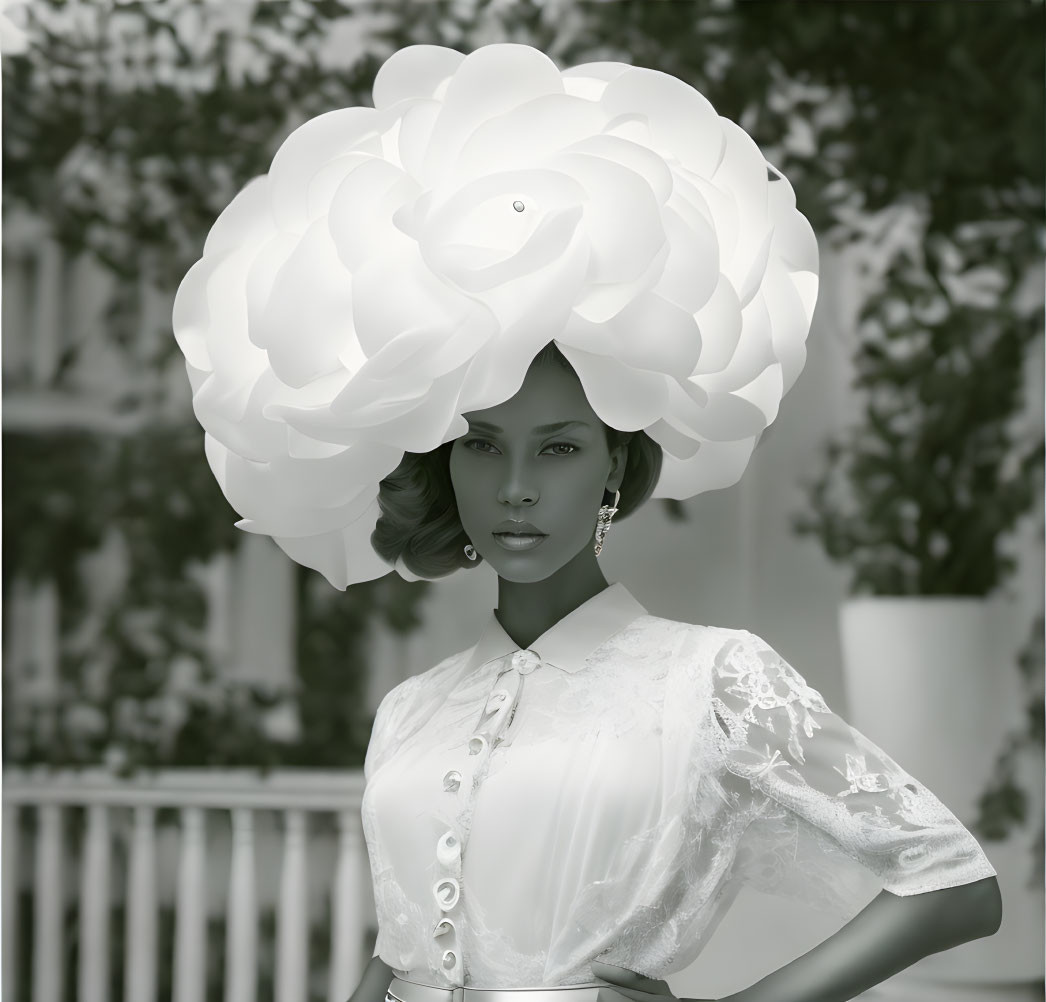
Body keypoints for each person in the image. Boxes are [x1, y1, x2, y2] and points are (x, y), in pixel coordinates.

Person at [173, 42, 1002, 1002]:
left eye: (559, 447)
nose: (516, 486)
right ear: (442, 454)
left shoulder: (711, 679)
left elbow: (952, 883)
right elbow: (400, 955)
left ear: (614, 460)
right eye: (482, 445)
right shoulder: (411, 711)